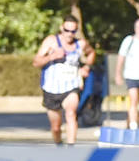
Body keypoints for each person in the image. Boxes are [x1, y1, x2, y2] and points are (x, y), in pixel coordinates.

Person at [33, 16, 95, 145]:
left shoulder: (80, 44)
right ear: (62, 28)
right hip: (51, 88)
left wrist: (87, 67)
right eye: (67, 30)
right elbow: (36, 62)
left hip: (72, 85)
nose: (69, 34)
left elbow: (91, 53)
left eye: (73, 31)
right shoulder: (51, 41)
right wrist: (53, 56)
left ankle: (71, 147)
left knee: (71, 114)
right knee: (56, 127)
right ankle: (58, 144)